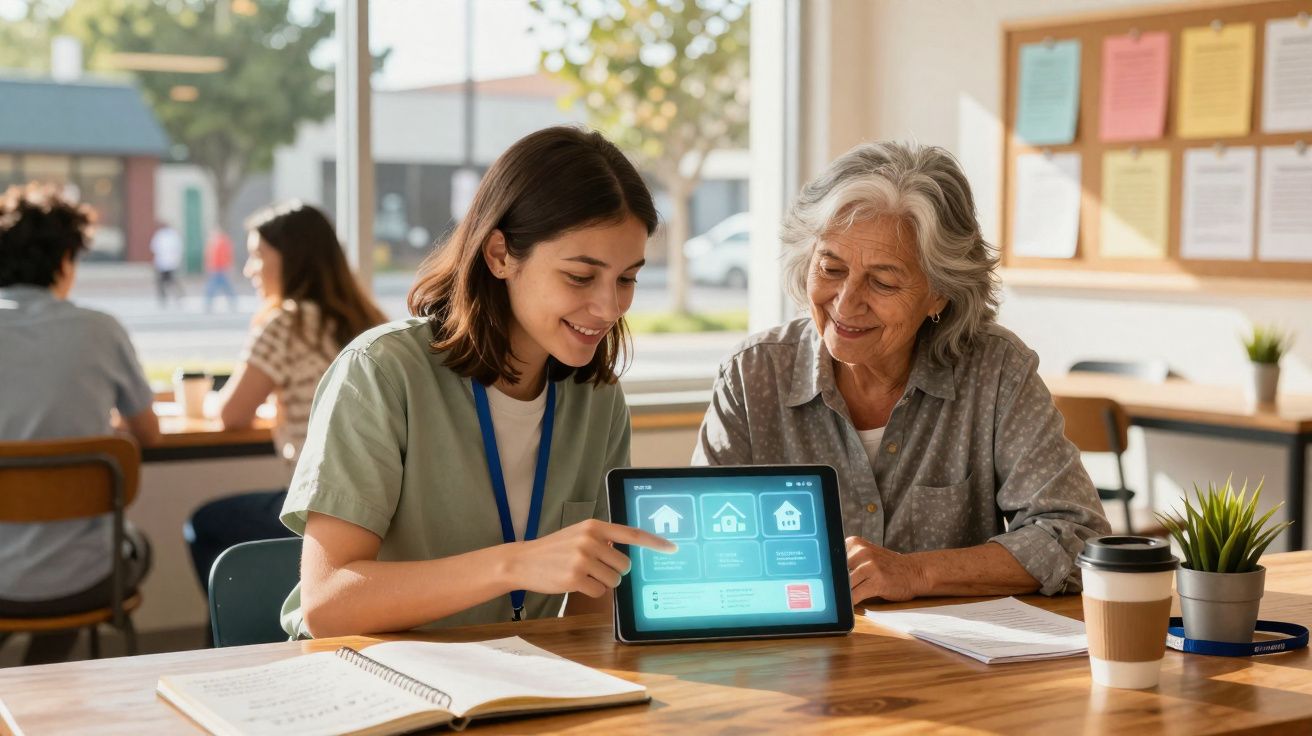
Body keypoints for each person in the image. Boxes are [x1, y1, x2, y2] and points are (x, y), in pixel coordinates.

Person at [281, 126, 675, 639]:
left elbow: (591, 609)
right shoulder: (381, 372)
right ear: (499, 256)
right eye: (580, 277)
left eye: (627, 279)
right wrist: (515, 565)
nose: (609, 307)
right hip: (376, 680)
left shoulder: (598, 398)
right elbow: (329, 603)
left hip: (512, 683)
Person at [693, 141, 1110, 605]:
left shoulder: (996, 372)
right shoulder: (753, 375)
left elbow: (1074, 536)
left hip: (952, 667)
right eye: (830, 267)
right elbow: (705, 552)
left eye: (884, 281)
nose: (846, 303)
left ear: (939, 294)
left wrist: (914, 573)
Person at [184, 202, 388, 595]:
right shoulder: (368, 320)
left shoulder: (286, 321)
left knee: (205, 523)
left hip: (320, 505)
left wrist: (202, 403)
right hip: (376, 507)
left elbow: (232, 414)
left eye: (258, 255)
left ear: (291, 258)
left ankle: (234, 638)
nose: (249, 269)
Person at [0, 184, 160, 665]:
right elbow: (149, 434)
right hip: (86, 581)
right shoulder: (100, 329)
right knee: (138, 547)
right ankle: (38, 680)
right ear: (65, 260)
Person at [150, 221, 184, 307]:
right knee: (164, 281)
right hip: (164, 262)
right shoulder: (162, 235)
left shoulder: (169, 235)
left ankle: (177, 296)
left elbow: (154, 247)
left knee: (170, 281)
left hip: (168, 262)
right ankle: (165, 297)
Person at [203, 227, 237, 312]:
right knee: (224, 286)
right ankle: (232, 301)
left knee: (214, 287)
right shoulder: (214, 242)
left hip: (220, 268)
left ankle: (208, 303)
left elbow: (227, 255)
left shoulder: (221, 242)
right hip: (216, 268)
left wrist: (228, 265)